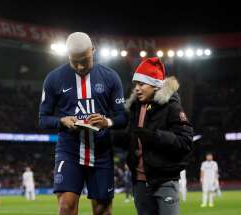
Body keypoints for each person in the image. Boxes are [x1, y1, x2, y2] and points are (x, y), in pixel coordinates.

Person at [39, 32, 127, 215]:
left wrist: (107, 121)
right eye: (74, 61)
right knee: (66, 207)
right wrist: (61, 121)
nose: (79, 66)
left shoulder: (111, 77)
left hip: (101, 153)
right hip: (69, 151)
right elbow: (43, 118)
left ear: (93, 50)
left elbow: (122, 118)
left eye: (84, 60)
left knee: (103, 210)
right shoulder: (54, 78)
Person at [125, 57, 193, 215]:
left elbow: (185, 142)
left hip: (164, 181)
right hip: (140, 182)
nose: (136, 89)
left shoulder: (172, 106)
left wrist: (155, 137)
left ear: (155, 84)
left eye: (141, 84)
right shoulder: (135, 107)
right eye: (136, 84)